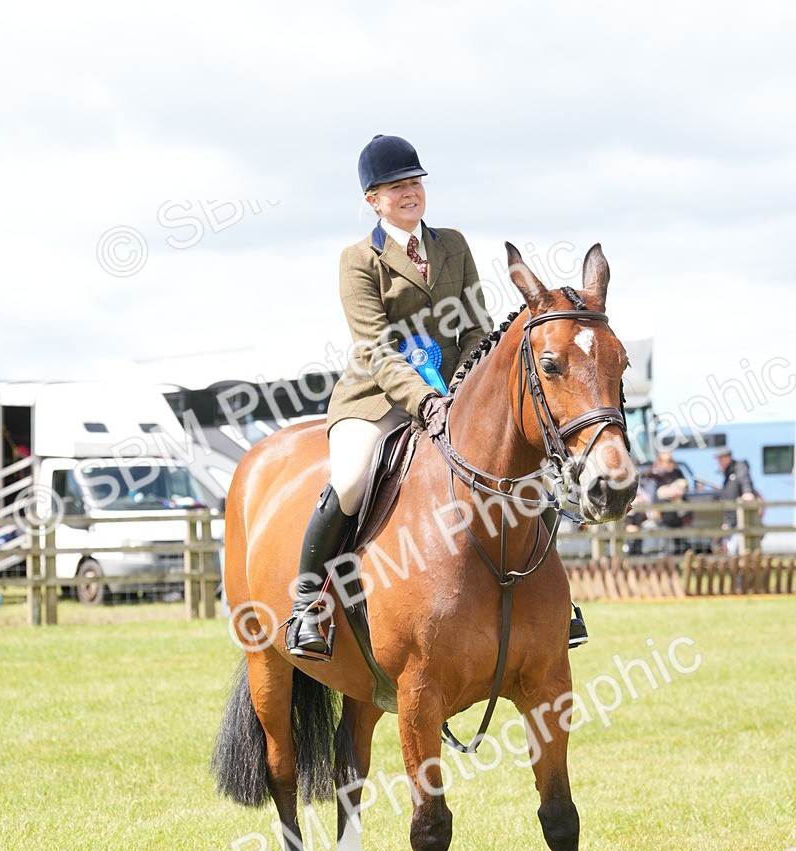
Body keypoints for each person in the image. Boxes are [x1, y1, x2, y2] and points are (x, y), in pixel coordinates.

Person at [285, 134, 586, 658]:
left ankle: (557, 605)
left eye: (415, 182)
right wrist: (424, 400)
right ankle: (308, 605)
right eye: (395, 186)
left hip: (456, 392)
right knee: (352, 479)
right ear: (372, 200)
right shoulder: (359, 260)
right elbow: (376, 347)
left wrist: (466, 384)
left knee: (524, 469)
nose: (409, 193)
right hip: (378, 397)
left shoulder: (453, 244)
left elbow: (476, 329)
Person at [649, 451, 688, 553]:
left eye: (672, 461)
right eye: (668, 461)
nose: (671, 463)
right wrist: (667, 493)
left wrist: (678, 491)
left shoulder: (677, 473)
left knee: (680, 549)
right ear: (661, 462)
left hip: (678, 519)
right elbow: (653, 498)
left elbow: (685, 489)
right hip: (664, 520)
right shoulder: (656, 476)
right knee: (668, 550)